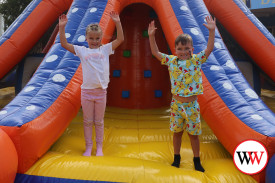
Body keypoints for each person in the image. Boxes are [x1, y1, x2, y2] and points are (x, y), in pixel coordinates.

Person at [148, 16, 216, 172]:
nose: (183, 52)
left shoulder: (196, 60)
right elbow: (155, 52)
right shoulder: (171, 61)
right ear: (175, 49)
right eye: (180, 49)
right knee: (177, 133)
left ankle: (196, 159)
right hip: (177, 105)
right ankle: (176, 158)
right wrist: (151, 36)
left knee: (193, 135)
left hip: (192, 105)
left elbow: (209, 48)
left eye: (187, 49)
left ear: (192, 49)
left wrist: (211, 31)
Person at [59, 11, 124, 156]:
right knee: (88, 121)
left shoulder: (105, 49)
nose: (95, 41)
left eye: (97, 38)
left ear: (101, 38)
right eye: (91, 38)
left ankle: (99, 147)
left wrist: (117, 22)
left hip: (101, 92)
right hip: (87, 92)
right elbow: (64, 44)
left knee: (99, 122)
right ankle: (89, 147)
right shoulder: (82, 51)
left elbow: (120, 39)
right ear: (86, 38)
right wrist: (62, 27)